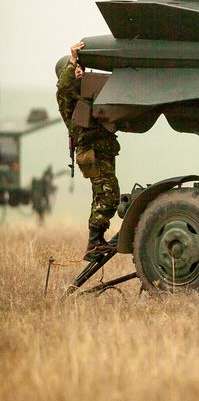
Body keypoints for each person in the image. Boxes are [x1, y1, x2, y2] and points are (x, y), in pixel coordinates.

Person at [55, 40, 121, 261]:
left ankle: (97, 241)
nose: (79, 72)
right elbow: (64, 86)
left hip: (102, 152)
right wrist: (73, 58)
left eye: (80, 69)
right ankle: (94, 244)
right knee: (109, 197)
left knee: (101, 196)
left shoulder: (85, 97)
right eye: (75, 70)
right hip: (93, 153)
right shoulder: (67, 100)